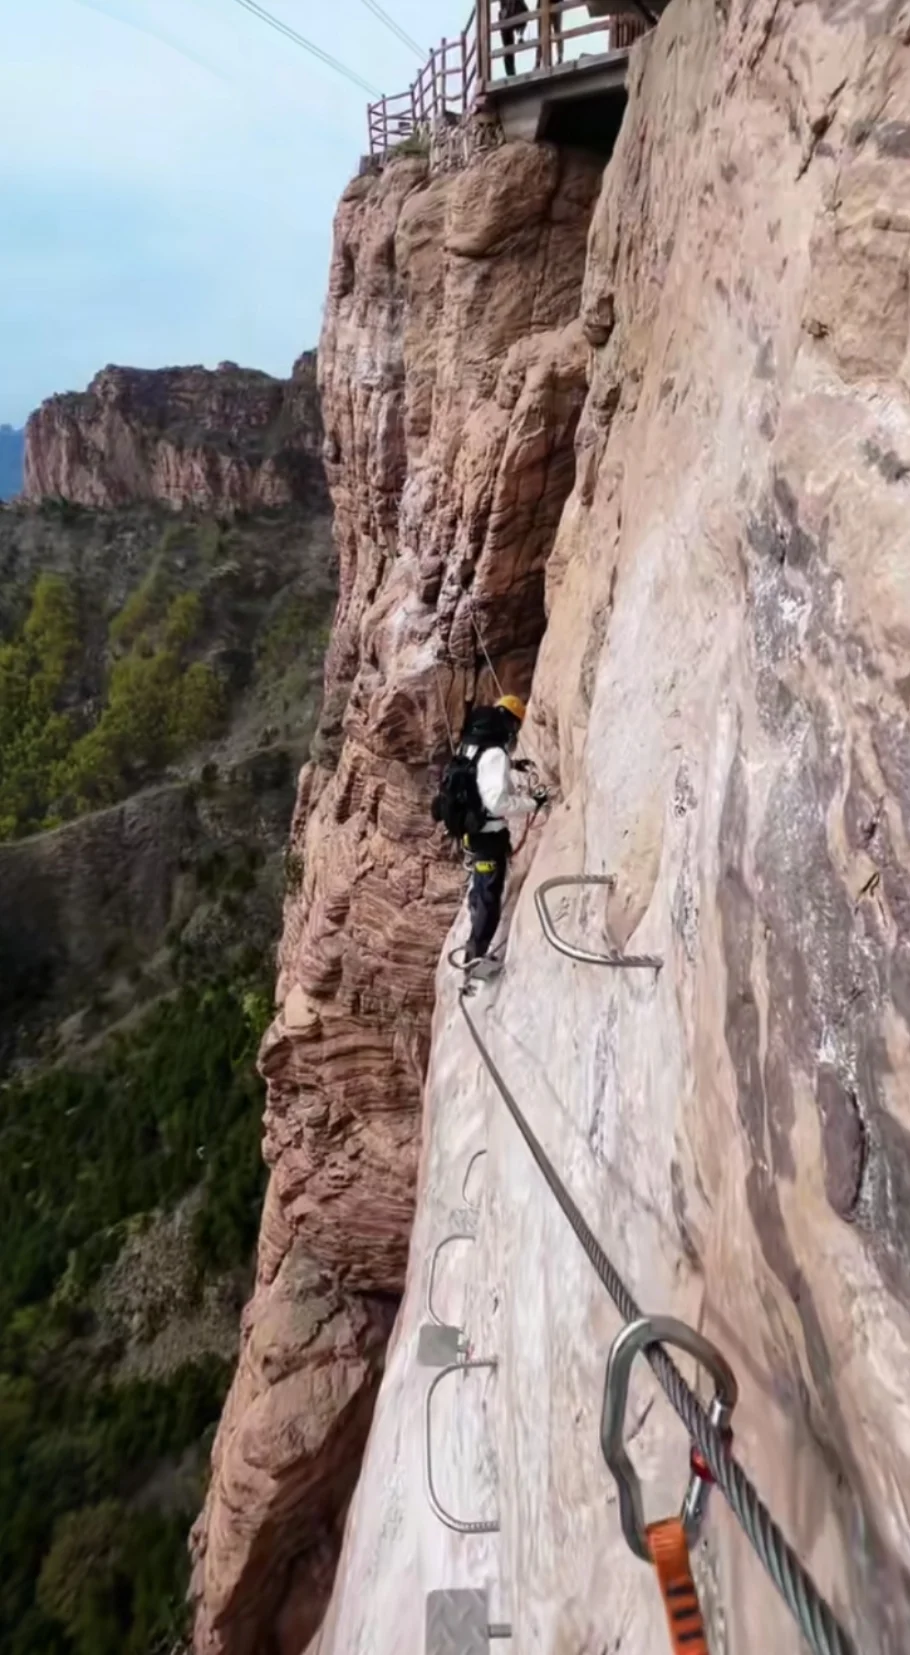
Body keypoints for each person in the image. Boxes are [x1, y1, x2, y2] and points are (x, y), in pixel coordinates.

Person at [431, 694, 547, 965]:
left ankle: (474, 934)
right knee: (489, 897)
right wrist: (532, 803)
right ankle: (476, 956)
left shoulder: (471, 745)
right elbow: (496, 801)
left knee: (480, 888)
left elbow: (477, 771)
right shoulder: (495, 753)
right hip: (489, 835)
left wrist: (512, 765)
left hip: (472, 832)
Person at [499, 0, 528, 78]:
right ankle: (510, 72)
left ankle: (520, 35)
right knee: (507, 45)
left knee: (507, 45)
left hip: (511, 12)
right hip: (506, 14)